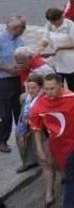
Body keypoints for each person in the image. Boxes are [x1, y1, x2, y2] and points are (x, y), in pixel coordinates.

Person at [30, 73, 74, 208]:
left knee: (71, 178)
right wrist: (40, 149)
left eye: (52, 88)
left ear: (61, 85)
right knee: (73, 171)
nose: (49, 92)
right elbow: (36, 127)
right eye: (46, 89)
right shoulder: (41, 102)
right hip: (57, 146)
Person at [39, 7, 74, 93]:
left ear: (61, 17)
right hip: (58, 62)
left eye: (55, 21)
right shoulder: (49, 25)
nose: (54, 23)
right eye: (52, 21)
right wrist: (41, 48)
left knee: (73, 88)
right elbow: (46, 38)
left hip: (71, 63)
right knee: (58, 87)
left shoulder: (70, 25)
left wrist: (59, 48)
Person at [0, 15, 26, 153]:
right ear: (16, 28)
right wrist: (7, 69)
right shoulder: (1, 39)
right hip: (3, 80)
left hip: (17, 79)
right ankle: (2, 140)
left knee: (19, 111)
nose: (23, 31)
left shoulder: (19, 39)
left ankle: (22, 139)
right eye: (22, 28)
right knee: (5, 114)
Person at [15, 73, 43, 173]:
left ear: (40, 87)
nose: (30, 90)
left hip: (40, 127)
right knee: (19, 133)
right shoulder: (25, 98)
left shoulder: (43, 99)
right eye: (29, 88)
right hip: (28, 123)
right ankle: (27, 162)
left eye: (34, 88)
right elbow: (23, 114)